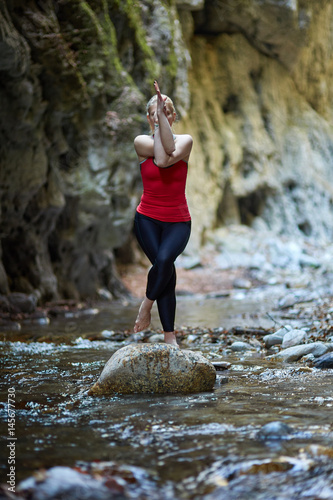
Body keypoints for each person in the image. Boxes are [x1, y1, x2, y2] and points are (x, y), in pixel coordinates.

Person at [133, 81, 193, 347]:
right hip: (147, 219)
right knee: (164, 267)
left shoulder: (186, 141)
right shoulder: (141, 141)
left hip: (179, 221)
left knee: (166, 260)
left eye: (167, 111)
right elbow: (160, 157)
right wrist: (158, 124)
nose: (163, 114)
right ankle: (170, 336)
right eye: (157, 112)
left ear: (174, 116)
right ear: (149, 117)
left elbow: (165, 158)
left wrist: (161, 123)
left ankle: (145, 306)